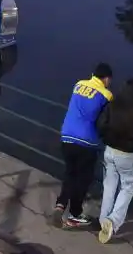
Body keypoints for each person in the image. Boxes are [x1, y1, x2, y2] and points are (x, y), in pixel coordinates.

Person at [95, 77, 133, 244]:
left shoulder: (114, 103)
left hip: (109, 150)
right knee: (128, 188)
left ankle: (103, 221)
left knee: (109, 185)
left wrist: (106, 136)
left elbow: (101, 124)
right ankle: (113, 221)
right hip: (127, 154)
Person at [53, 62, 113, 229]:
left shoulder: (79, 85)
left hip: (66, 136)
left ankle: (60, 204)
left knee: (70, 173)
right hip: (86, 141)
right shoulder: (106, 95)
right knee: (83, 178)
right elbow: (105, 120)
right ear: (106, 79)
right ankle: (74, 213)